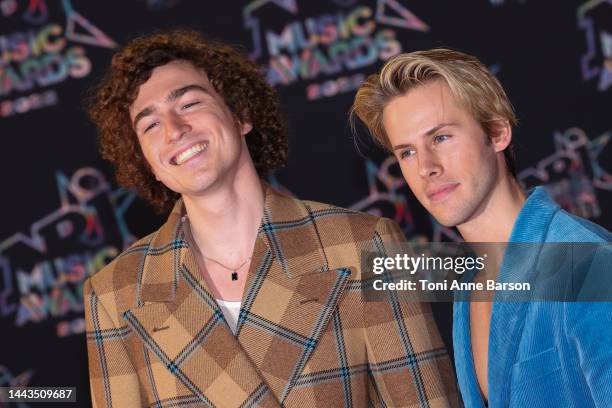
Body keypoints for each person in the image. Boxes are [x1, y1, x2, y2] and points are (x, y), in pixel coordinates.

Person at [83, 30, 459, 407]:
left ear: (240, 115)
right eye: (150, 125)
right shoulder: (116, 294)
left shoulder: (361, 244)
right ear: (148, 164)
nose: (174, 130)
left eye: (190, 103)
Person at [351, 48, 612, 407]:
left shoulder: (590, 265)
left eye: (441, 137)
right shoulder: (467, 283)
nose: (426, 166)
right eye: (407, 152)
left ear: (497, 132)